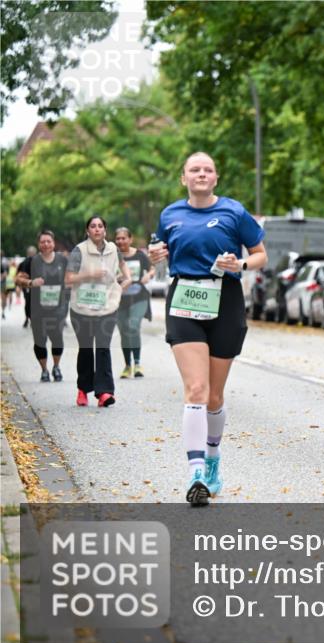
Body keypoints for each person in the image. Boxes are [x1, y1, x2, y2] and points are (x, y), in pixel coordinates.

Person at [149, 152, 266, 507]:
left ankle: (213, 460)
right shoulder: (171, 214)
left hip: (225, 299)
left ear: (216, 178)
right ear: (184, 178)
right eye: (194, 170)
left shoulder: (233, 211)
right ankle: (196, 472)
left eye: (208, 170)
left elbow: (261, 253)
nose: (201, 174)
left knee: (214, 395)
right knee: (196, 389)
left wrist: (242, 262)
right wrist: (155, 255)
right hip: (185, 297)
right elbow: (159, 248)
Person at [64, 217, 133, 407]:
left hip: (107, 306)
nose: (97, 229)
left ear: (105, 230)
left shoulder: (113, 249)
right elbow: (68, 279)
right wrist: (90, 274)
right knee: (86, 348)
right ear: (87, 231)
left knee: (103, 348)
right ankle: (83, 390)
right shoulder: (79, 250)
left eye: (100, 226)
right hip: (82, 307)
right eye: (93, 226)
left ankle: (104, 392)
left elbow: (123, 266)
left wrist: (126, 280)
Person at [15, 231, 69, 382]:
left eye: (49, 241)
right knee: (40, 340)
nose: (46, 244)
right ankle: (44, 369)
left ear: (53, 243)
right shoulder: (31, 261)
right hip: (37, 307)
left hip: (58, 307)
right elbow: (18, 279)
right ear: (39, 244)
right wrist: (31, 283)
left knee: (57, 338)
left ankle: (56, 366)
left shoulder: (62, 260)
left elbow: (71, 277)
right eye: (43, 241)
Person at [114, 227, 155, 378]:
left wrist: (148, 275)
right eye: (118, 238)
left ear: (130, 239)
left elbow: (152, 268)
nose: (120, 241)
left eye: (124, 238)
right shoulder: (113, 257)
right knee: (124, 330)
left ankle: (137, 364)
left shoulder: (139, 255)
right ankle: (127, 365)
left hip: (139, 296)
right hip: (120, 299)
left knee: (133, 325)